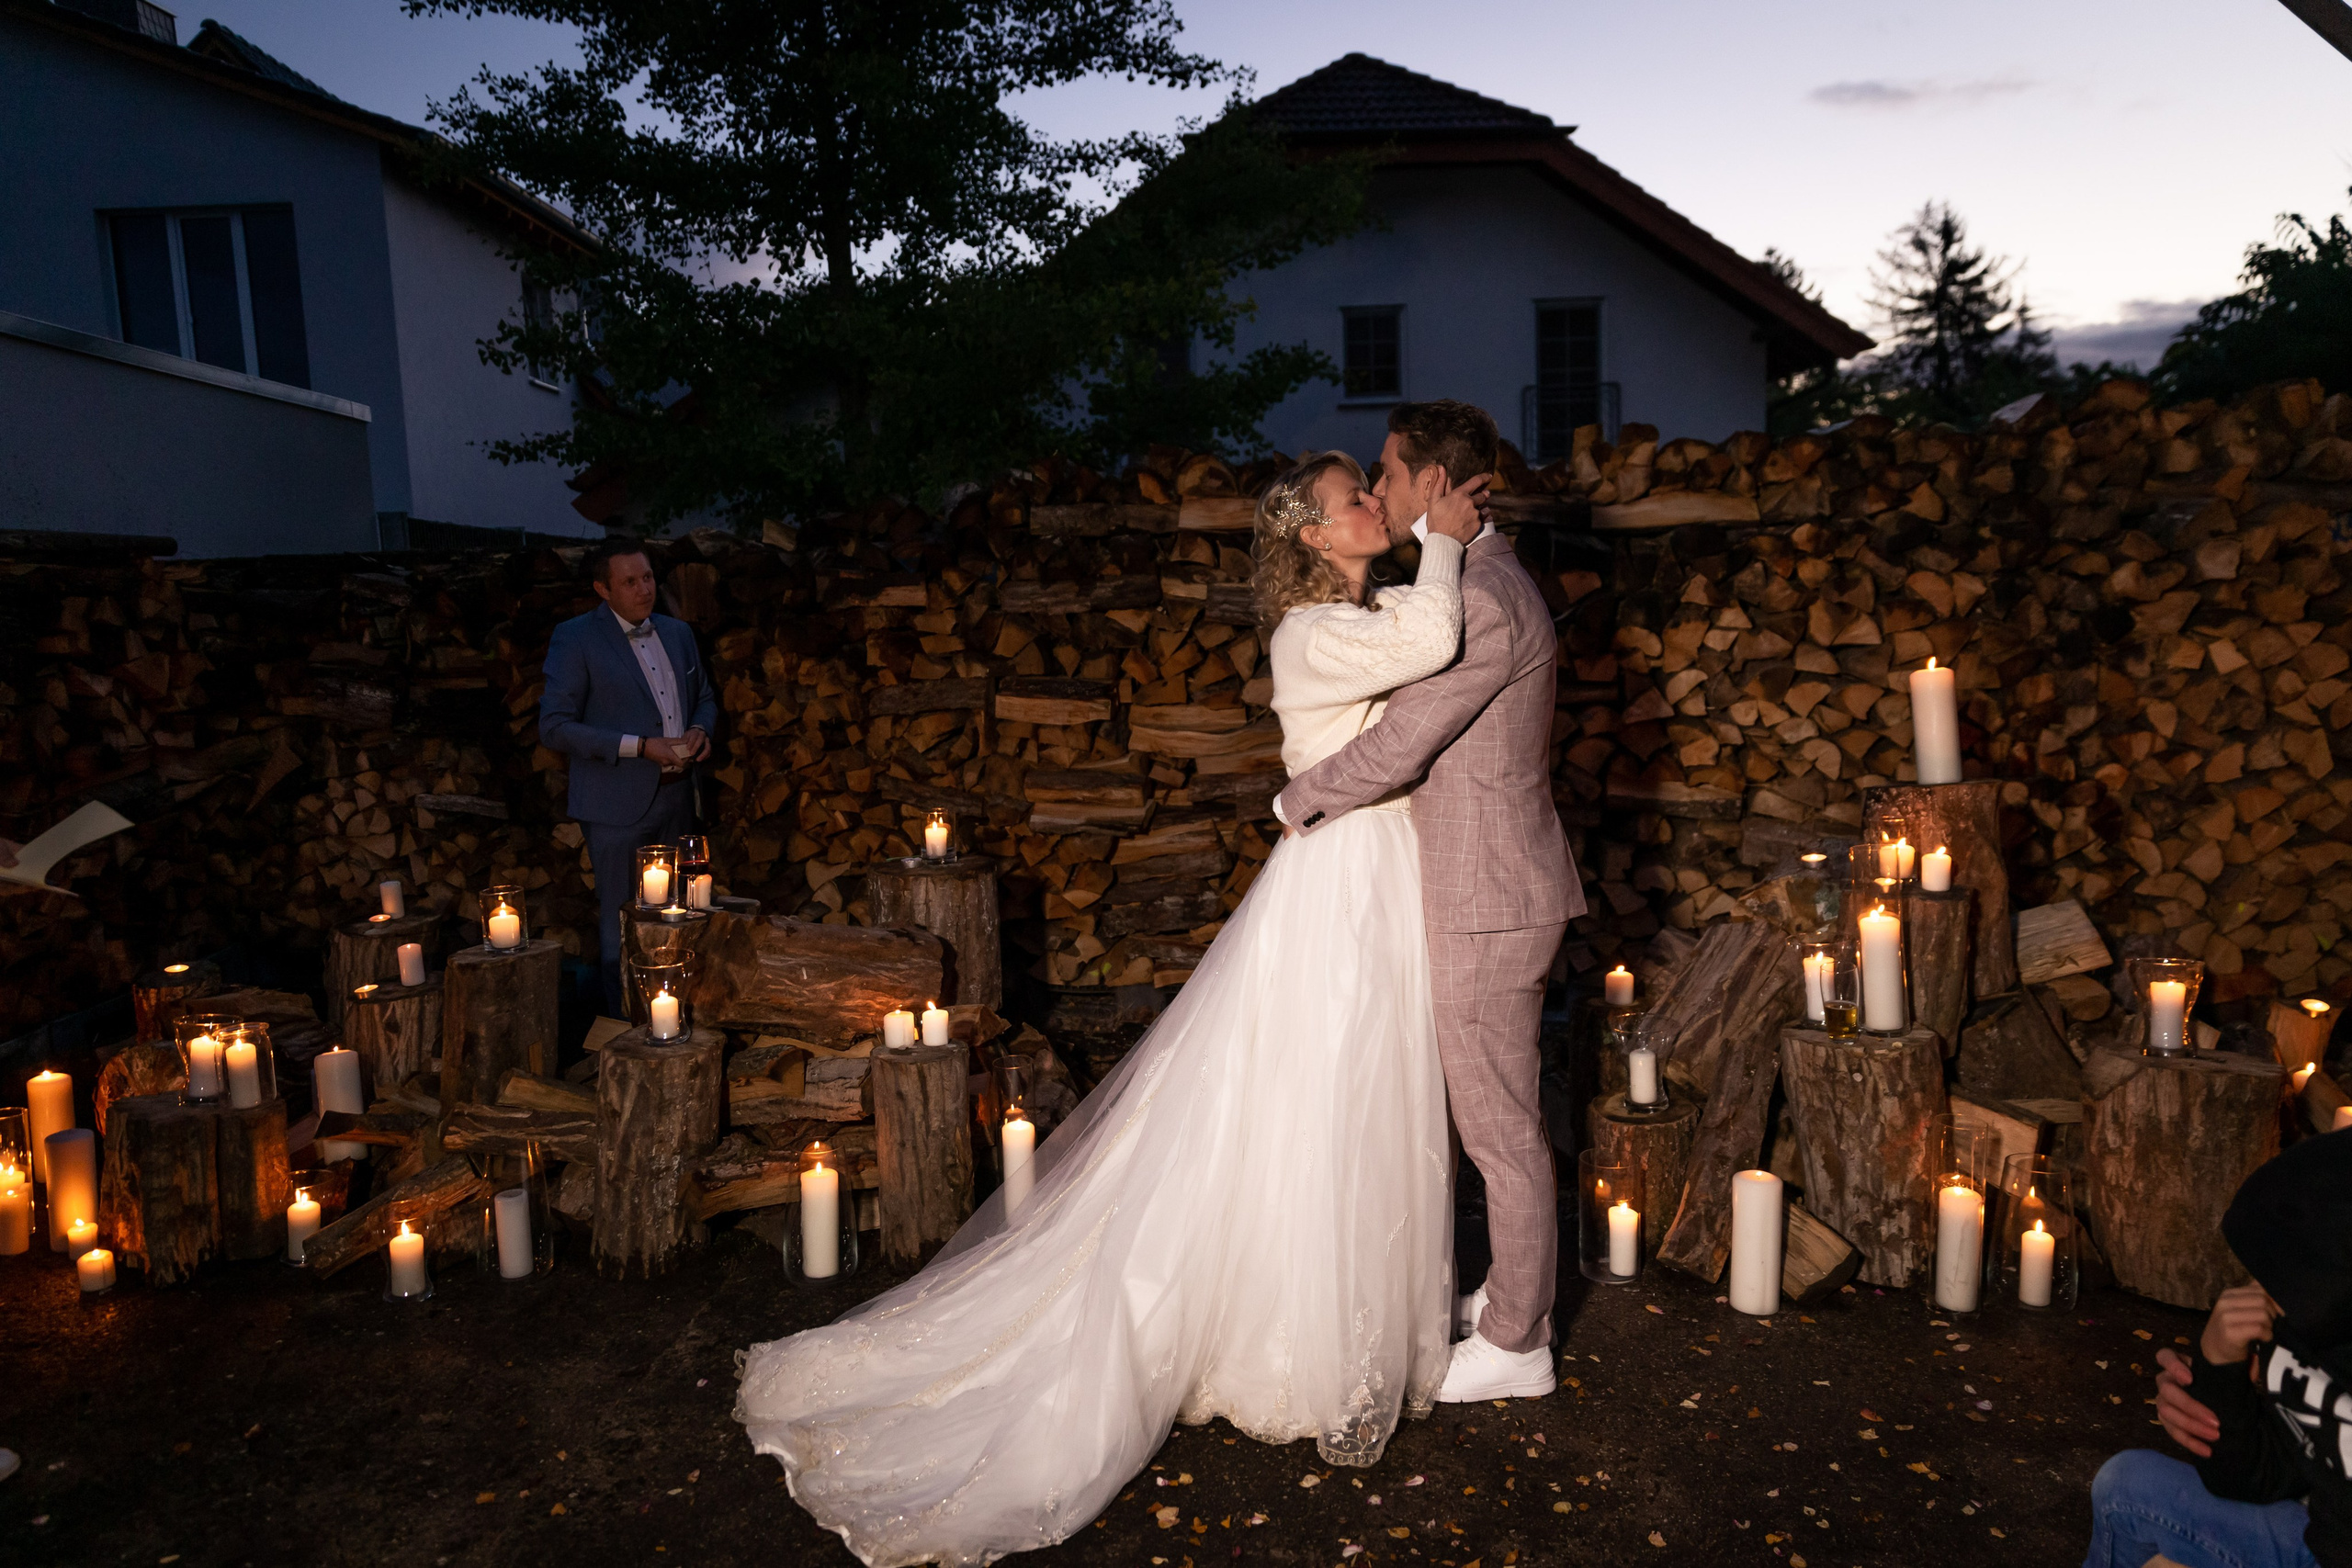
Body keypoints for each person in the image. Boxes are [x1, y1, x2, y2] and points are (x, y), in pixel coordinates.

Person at [735, 450, 1490, 1566]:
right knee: (1325, 1090)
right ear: (1309, 539)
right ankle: (1296, 1344)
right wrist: (1449, 543)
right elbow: (1430, 645)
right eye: (1354, 501)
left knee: (1360, 1093)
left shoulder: (1358, 608)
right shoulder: (1308, 636)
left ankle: (1349, 1328)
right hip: (1339, 886)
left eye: (1369, 494)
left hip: (1373, 872)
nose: (1374, 506)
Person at [1273, 399, 1582, 1402]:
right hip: (1480, 886)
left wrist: (1300, 793)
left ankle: (1518, 1341)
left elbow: (1405, 744)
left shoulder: (1484, 600)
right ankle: (1506, 1297)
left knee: (1499, 1126)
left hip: (1488, 894)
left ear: (1434, 486)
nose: (1382, 488)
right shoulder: (1477, 581)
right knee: (1489, 1117)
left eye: (1390, 472)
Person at [2089, 1133, 2352, 1568]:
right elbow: (2256, 1476)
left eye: (2280, 1271)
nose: (2259, 1290)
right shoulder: (2303, 1316)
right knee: (2127, 1486)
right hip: (2312, 1537)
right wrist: (2219, 1370)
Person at [538, 542, 716, 1015]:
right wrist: (638, 746)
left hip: (680, 798)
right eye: (631, 582)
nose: (644, 589)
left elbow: (706, 698)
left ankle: (678, 1016)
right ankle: (624, 1028)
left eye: (649, 578)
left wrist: (700, 729)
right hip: (615, 805)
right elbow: (554, 725)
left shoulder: (677, 633)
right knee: (623, 922)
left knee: (683, 916)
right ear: (603, 589)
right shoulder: (576, 638)